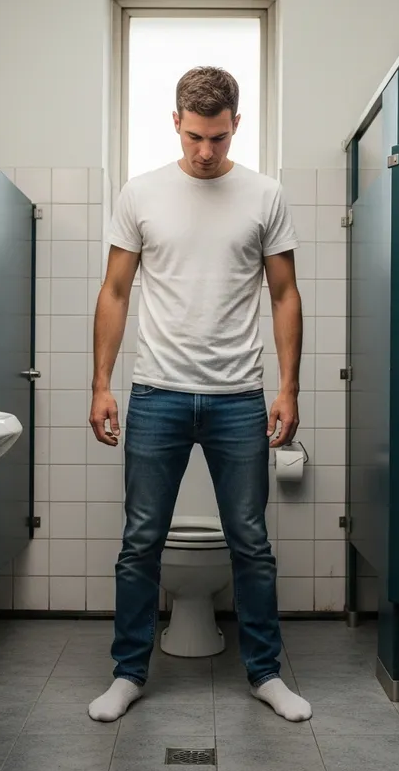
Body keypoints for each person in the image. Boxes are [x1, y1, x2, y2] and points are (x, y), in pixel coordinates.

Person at [87, 66, 310, 724]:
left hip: (239, 395)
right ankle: (128, 673)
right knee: (140, 541)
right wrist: (102, 384)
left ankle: (265, 674)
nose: (205, 151)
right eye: (193, 137)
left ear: (236, 123)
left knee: (250, 541)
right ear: (176, 125)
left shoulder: (265, 195)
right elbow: (116, 292)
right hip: (156, 391)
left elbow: (285, 294)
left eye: (216, 137)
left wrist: (289, 387)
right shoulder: (142, 192)